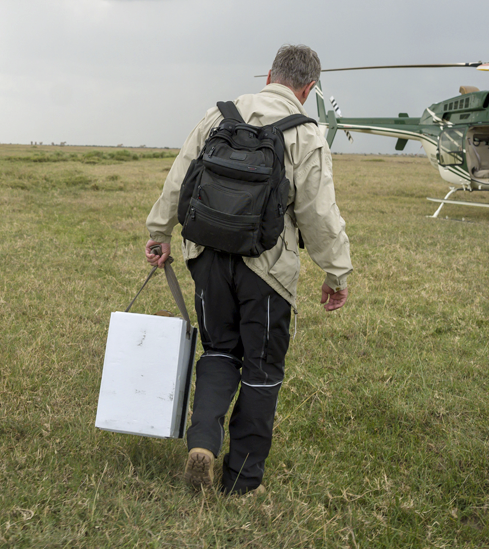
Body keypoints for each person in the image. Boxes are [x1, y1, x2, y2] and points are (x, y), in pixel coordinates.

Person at [144, 44, 353, 495]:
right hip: (269, 270)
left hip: (208, 258)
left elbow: (179, 178)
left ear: (268, 77)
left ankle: (202, 444)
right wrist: (337, 274)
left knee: (219, 351)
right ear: (308, 88)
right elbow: (320, 214)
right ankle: (241, 481)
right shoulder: (308, 133)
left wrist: (160, 232)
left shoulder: (218, 115)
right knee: (261, 369)